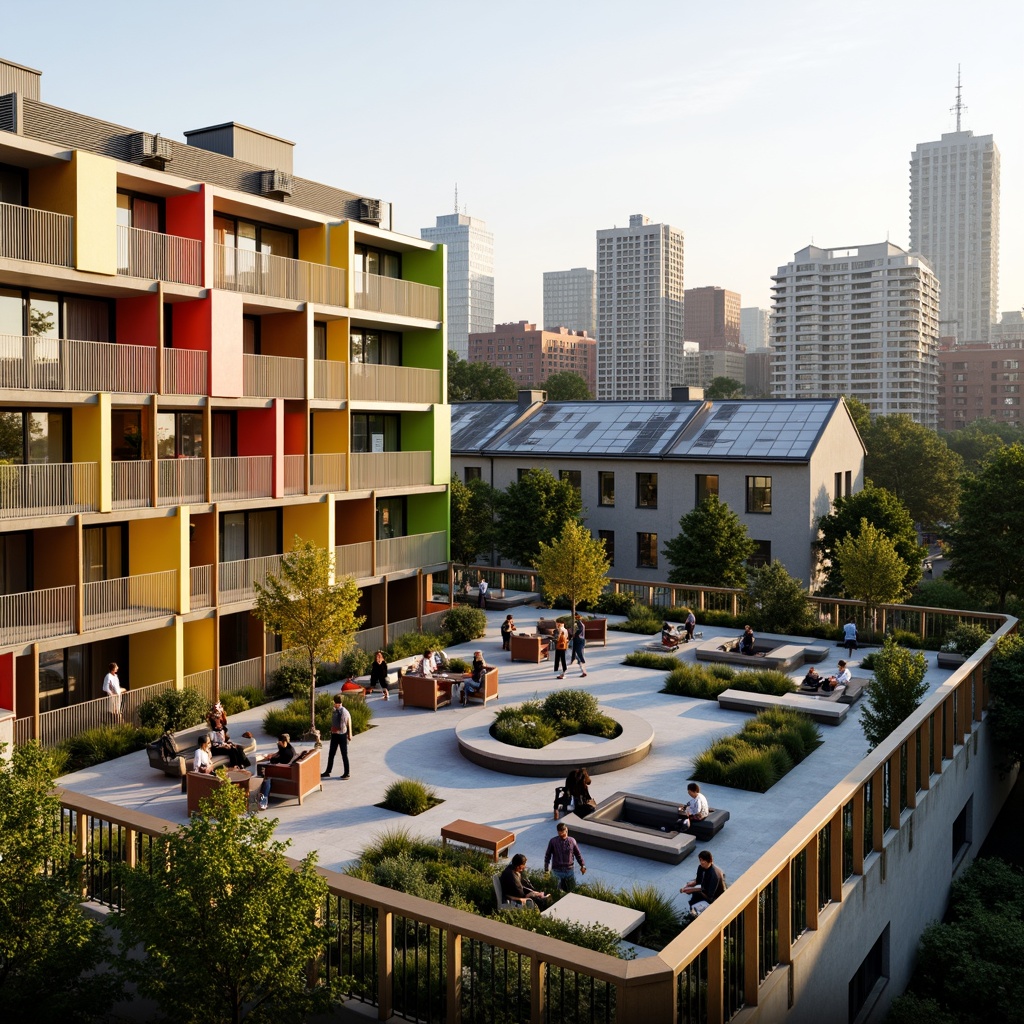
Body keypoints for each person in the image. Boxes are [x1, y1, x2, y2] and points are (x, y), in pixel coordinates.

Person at [256, 733, 297, 810]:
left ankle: (263, 800)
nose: (278, 743)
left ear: (282, 741)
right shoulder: (289, 747)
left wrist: (270, 759)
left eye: (278, 742)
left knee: (267, 778)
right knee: (265, 770)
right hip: (286, 768)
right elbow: (279, 753)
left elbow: (276, 761)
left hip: (285, 771)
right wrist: (273, 755)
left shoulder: (287, 753)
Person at [544, 822, 587, 891]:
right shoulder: (553, 841)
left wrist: (582, 865)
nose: (561, 834)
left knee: (571, 890)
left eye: (562, 831)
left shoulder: (572, 841)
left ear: (566, 830)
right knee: (555, 891)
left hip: (569, 870)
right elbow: (547, 856)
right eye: (559, 832)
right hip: (556, 871)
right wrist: (546, 870)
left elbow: (578, 854)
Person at [680, 850, 725, 915]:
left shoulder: (714, 875)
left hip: (714, 897)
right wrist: (690, 885)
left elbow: (709, 894)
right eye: (700, 860)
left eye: (704, 860)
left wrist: (693, 890)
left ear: (709, 860)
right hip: (705, 890)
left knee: (696, 897)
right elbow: (698, 881)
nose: (701, 862)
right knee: (694, 898)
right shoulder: (701, 867)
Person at [321, 694, 353, 779]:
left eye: (335, 703)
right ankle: (328, 771)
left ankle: (347, 773)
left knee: (344, 754)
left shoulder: (344, 712)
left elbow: (348, 722)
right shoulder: (335, 711)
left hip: (342, 735)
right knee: (331, 753)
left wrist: (349, 734)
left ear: (338, 703)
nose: (333, 705)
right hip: (334, 735)